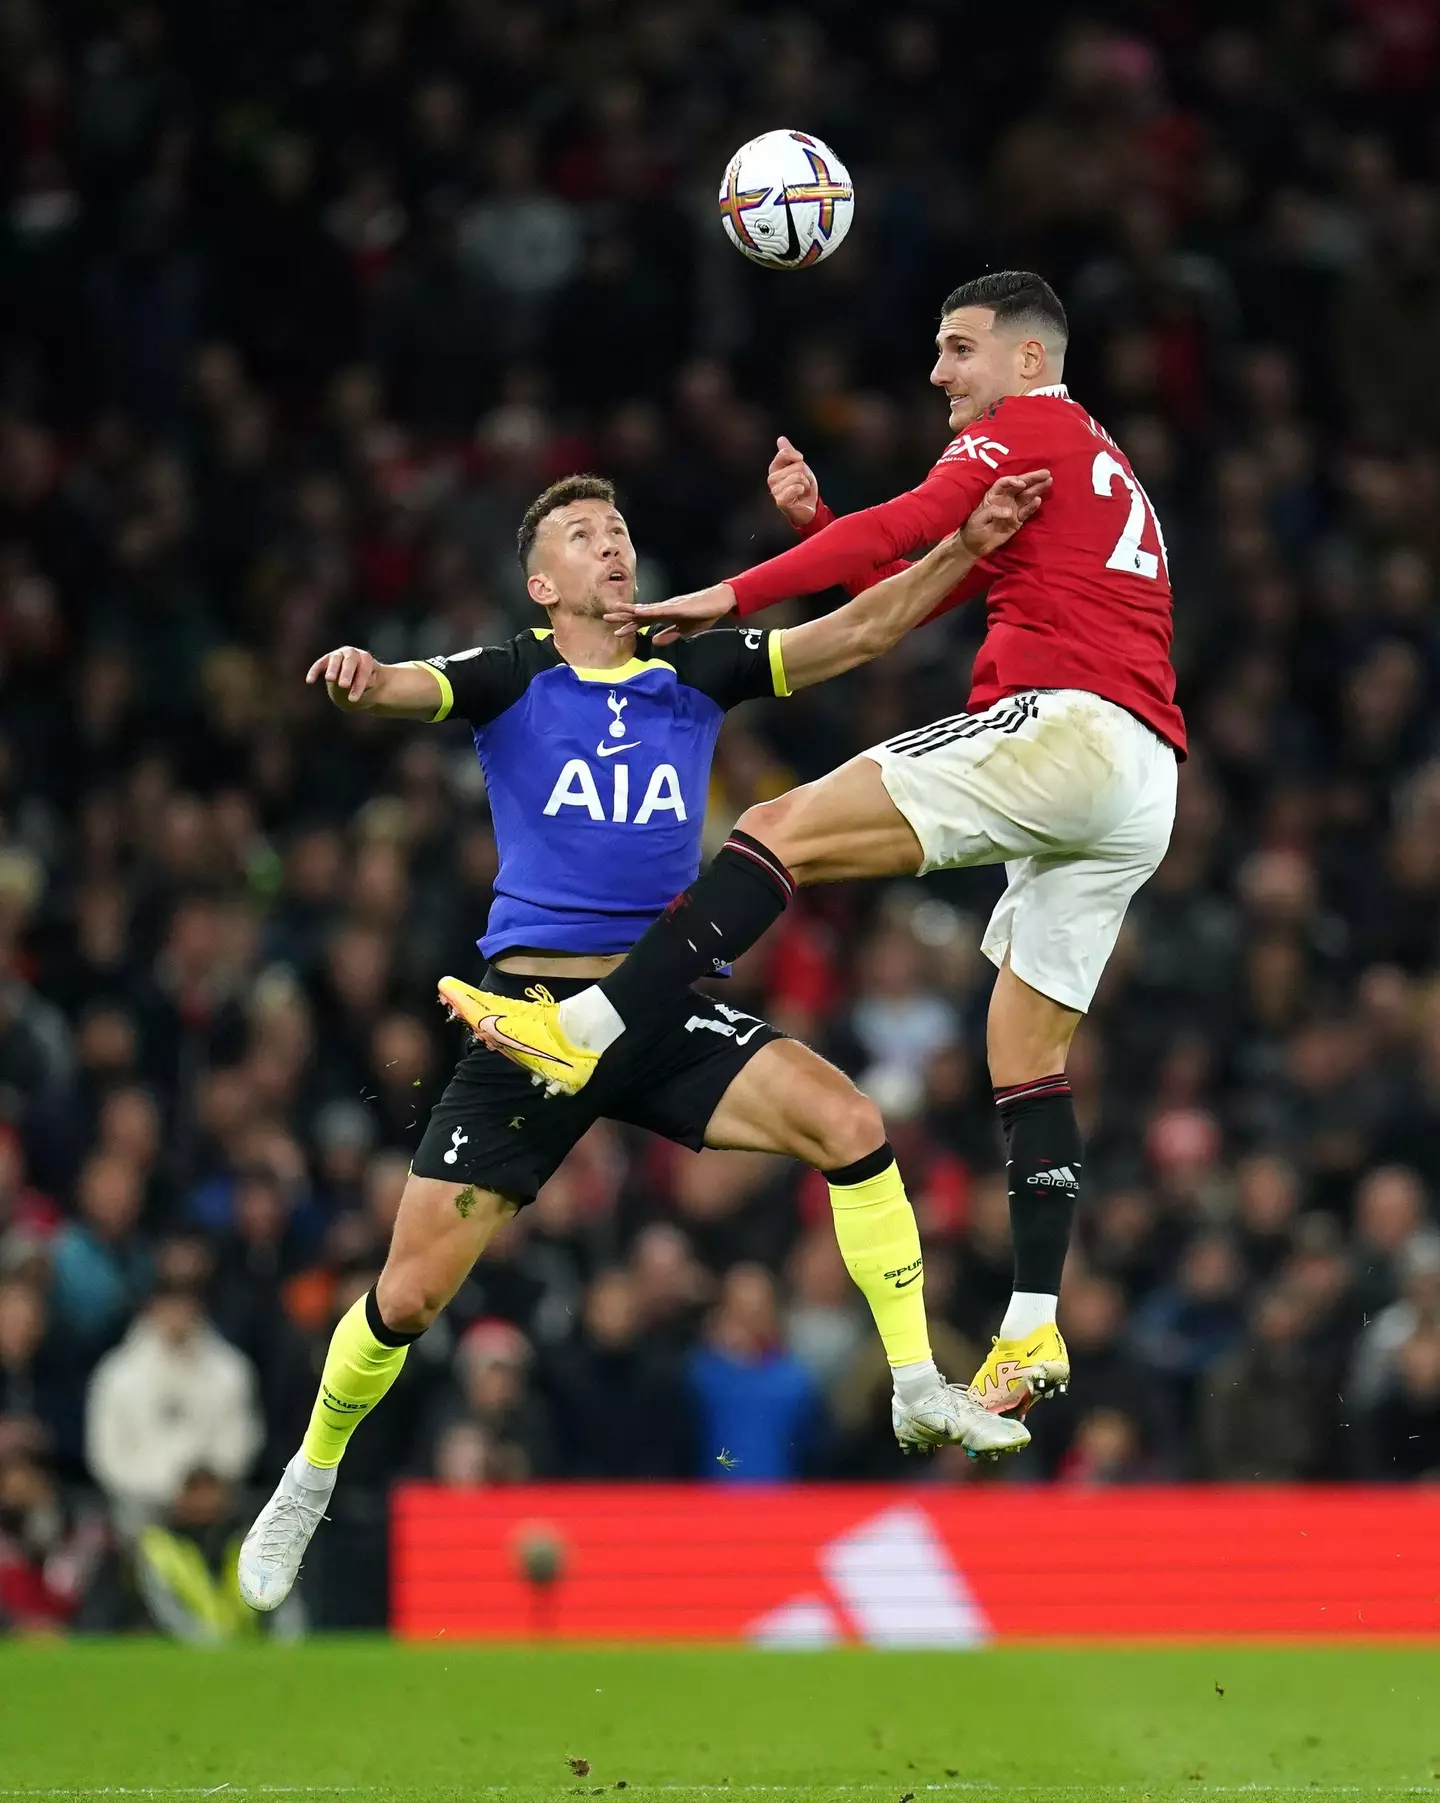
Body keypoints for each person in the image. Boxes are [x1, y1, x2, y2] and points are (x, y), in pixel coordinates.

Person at [238, 465, 1047, 1612]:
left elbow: (859, 630)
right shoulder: (514, 672)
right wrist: (362, 683)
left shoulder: (692, 666)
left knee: (853, 1124)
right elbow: (411, 688)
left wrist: (971, 542)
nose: (611, 545)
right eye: (582, 534)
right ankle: (310, 1478)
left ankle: (916, 1381)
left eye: (618, 528)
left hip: (659, 1007)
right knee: (408, 1301)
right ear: (542, 579)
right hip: (532, 1021)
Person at [458, 271, 1184, 1425]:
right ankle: (1033, 1323)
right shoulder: (1081, 460)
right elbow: (916, 580)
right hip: (1143, 783)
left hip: (1070, 728)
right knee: (1023, 1050)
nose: (941, 373)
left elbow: (903, 528)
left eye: (958, 350)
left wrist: (724, 593)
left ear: (1030, 360)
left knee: (772, 828)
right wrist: (814, 531)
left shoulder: (1027, 427)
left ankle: (584, 1025)